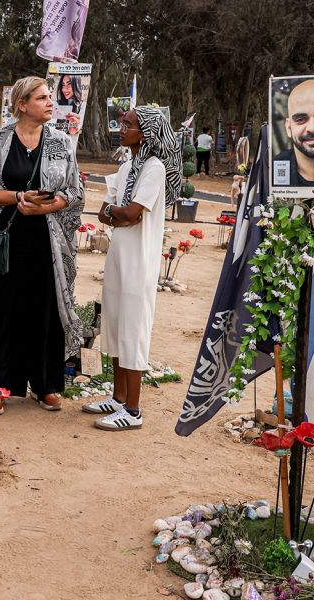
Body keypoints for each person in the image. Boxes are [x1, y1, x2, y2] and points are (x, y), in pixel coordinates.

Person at [0, 76, 85, 412]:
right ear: (22, 105)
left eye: (50, 97)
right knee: (2, 311)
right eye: (42, 98)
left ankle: (46, 383)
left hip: (48, 242)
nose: (50, 102)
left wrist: (49, 205)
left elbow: (74, 191)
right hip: (6, 239)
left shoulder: (61, 142)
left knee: (45, 310)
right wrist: (19, 197)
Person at [85, 106, 182, 430]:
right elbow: (106, 213)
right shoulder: (127, 166)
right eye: (122, 122)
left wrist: (117, 212)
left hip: (139, 261)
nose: (121, 127)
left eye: (128, 124)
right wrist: (118, 212)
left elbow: (132, 213)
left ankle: (134, 410)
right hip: (117, 256)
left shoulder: (153, 168)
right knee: (113, 324)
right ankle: (117, 397)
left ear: (146, 133)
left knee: (133, 329)